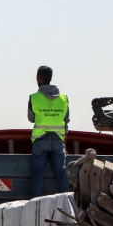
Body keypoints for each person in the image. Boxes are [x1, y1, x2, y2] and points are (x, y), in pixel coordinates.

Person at [27, 65, 71, 198]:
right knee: (62, 175)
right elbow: (66, 120)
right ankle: (68, 204)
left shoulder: (34, 98)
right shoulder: (63, 98)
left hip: (40, 140)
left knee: (37, 176)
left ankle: (36, 205)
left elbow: (31, 118)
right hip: (58, 141)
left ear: (39, 79)